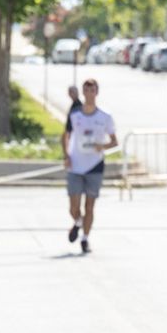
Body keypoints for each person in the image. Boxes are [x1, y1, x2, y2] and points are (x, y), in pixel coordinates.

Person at [61, 78, 117, 255]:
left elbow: (114, 141)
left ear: (97, 93)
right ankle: (78, 222)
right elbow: (65, 136)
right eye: (86, 90)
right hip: (76, 164)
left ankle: (85, 238)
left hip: (95, 165)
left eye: (92, 90)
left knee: (90, 206)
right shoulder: (75, 114)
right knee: (74, 206)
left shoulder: (105, 116)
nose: (89, 94)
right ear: (83, 92)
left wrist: (103, 147)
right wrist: (67, 155)